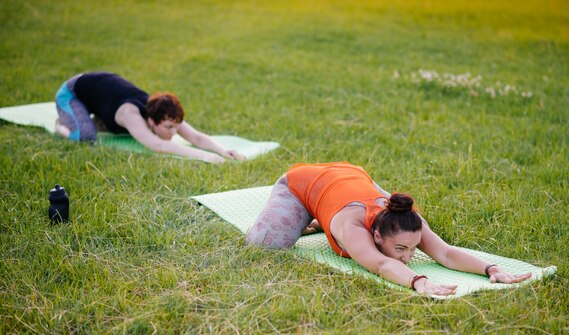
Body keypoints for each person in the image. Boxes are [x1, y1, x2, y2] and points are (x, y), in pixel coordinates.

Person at [246, 162, 531, 296]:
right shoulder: (353, 227)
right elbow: (381, 264)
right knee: (264, 245)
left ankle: (320, 220)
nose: (408, 257)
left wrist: (491, 269)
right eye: (401, 249)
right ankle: (311, 215)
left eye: (412, 248)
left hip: (353, 175)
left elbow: (444, 253)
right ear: (377, 235)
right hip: (303, 182)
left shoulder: (408, 221)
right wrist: (418, 281)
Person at [54, 72, 245, 163]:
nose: (174, 131)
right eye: (169, 127)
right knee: (86, 136)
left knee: (105, 126)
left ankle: (92, 117)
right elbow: (157, 145)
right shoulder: (130, 114)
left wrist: (223, 150)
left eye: (176, 126)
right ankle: (60, 125)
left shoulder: (162, 111)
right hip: (72, 92)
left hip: (99, 95)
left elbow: (195, 137)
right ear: (151, 122)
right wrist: (205, 156)